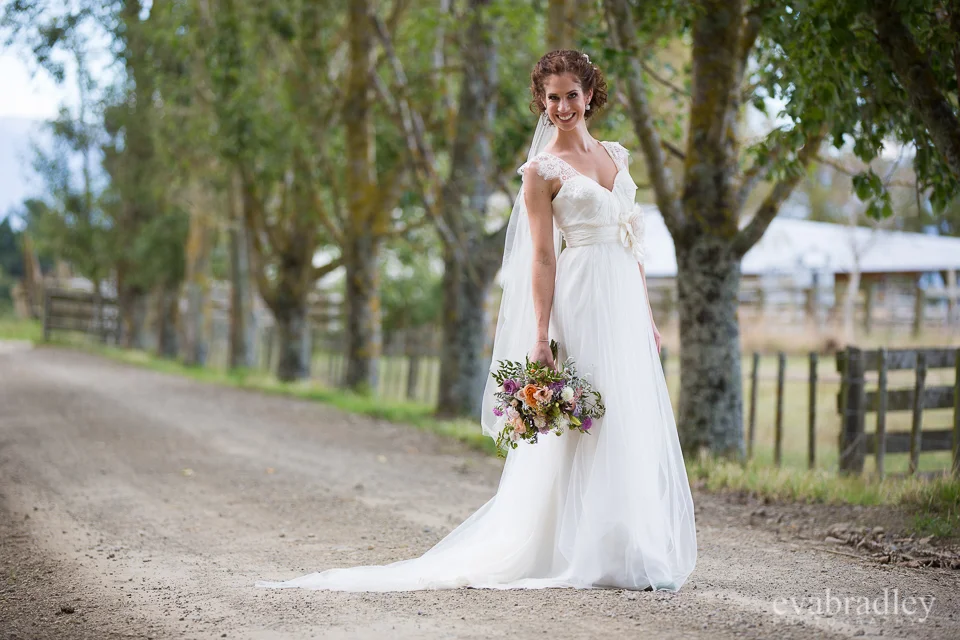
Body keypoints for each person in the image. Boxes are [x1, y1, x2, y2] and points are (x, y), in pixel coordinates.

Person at [256, 50, 697, 593]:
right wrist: (540, 335)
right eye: (551, 97)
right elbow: (540, 256)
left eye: (571, 95)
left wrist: (649, 315)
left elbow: (632, 241)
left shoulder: (616, 156)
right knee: (589, 416)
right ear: (542, 101)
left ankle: (628, 542)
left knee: (627, 411)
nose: (561, 106)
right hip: (580, 296)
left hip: (624, 300)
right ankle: (580, 548)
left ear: (590, 93)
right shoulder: (540, 172)